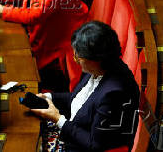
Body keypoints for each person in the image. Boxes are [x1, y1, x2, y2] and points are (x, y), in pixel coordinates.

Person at [30, 21, 140, 151]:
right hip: (71, 130)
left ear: (95, 59)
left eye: (78, 56)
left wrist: (58, 119)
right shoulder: (98, 67)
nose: (75, 59)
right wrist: (48, 97)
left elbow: (94, 144)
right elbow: (80, 100)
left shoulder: (114, 94)